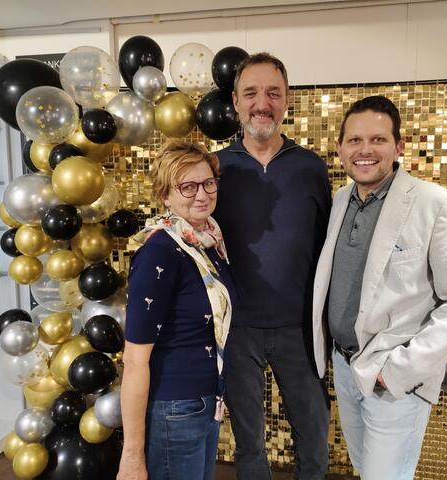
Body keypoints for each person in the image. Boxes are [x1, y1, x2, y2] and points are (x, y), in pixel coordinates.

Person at [312, 95, 447, 480]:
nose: (365, 150)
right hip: (344, 365)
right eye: (355, 140)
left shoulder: (436, 205)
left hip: (392, 375)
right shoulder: (340, 201)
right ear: (340, 149)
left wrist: (399, 369)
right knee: (365, 469)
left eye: (378, 139)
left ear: (399, 147)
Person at [213, 52, 331, 480]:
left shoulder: (311, 167)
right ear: (235, 101)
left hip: (300, 329)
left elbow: (325, 247)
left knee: (314, 443)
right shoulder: (216, 169)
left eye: (273, 93)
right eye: (251, 93)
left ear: (286, 100)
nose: (262, 103)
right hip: (238, 329)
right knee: (249, 447)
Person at [117, 140, 236, 480]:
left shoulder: (208, 242)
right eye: (187, 186)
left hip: (205, 403)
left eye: (208, 183)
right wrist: (132, 456)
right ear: (165, 195)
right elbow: (134, 360)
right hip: (174, 410)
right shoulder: (160, 252)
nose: (202, 195)